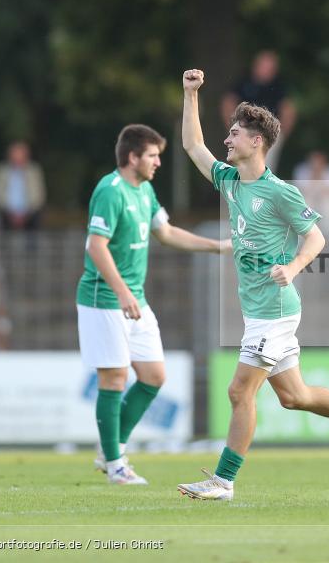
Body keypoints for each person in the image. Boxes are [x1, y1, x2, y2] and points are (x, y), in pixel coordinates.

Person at [177, 69, 329, 501]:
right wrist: (190, 94)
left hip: (274, 309)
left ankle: (223, 482)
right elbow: (192, 146)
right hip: (259, 309)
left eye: (234, 133)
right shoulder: (229, 181)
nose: (227, 140)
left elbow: (316, 239)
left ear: (256, 141)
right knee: (295, 396)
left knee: (239, 391)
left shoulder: (280, 192)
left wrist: (294, 267)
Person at [77, 124, 229, 485]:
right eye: (152, 156)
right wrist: (123, 292)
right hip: (104, 300)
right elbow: (96, 246)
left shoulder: (144, 190)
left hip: (134, 300)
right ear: (132, 158)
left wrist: (217, 247)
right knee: (114, 377)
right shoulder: (110, 191)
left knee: (154, 376)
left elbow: (166, 232)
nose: (158, 162)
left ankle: (110, 449)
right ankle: (115, 464)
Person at [220, 50, 296, 172]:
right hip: (245, 131)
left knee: (263, 169)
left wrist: (280, 136)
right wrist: (232, 128)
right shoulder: (244, 82)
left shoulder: (279, 86)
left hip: (268, 134)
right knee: (241, 167)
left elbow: (288, 110)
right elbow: (228, 102)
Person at [0, 141, 46, 230]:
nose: (17, 159)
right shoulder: (1, 171)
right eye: (15, 155)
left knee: (37, 215)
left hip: (29, 213)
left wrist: (26, 214)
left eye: (20, 155)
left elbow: (38, 197)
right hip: (6, 213)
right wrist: (10, 213)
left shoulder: (34, 171)